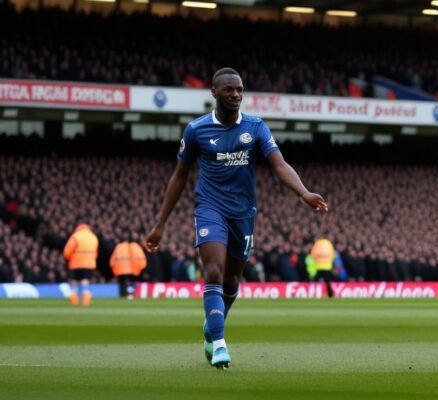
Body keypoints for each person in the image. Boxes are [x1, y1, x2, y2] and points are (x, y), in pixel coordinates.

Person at [144, 67, 328, 369]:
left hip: (243, 213)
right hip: (209, 208)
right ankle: (219, 343)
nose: (236, 95)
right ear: (214, 93)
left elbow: (279, 164)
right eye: (229, 90)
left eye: (240, 89)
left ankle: (211, 326)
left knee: (231, 281)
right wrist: (160, 223)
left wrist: (303, 192)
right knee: (214, 271)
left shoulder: (255, 127)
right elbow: (179, 177)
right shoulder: (197, 130)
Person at [63, 223, 99, 306]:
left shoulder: (76, 236)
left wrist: (68, 258)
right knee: (85, 280)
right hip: (89, 263)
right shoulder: (93, 237)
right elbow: (96, 253)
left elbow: (67, 251)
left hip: (75, 263)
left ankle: (74, 299)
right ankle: (86, 297)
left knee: (74, 281)